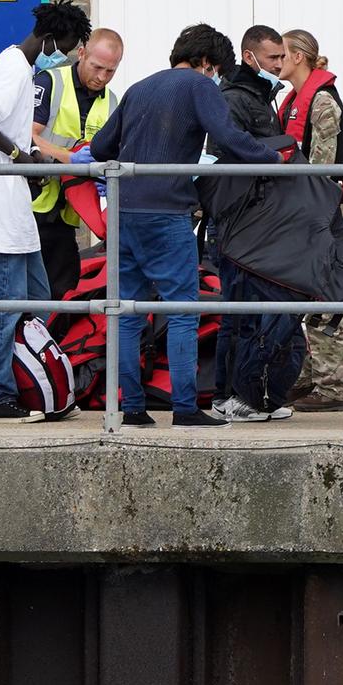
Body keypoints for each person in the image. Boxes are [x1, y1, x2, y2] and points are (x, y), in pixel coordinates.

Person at [89, 23, 283, 428]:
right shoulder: (199, 87)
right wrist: (273, 159)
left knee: (125, 312)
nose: (214, 77)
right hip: (167, 213)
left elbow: (102, 147)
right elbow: (227, 136)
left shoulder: (138, 88)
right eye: (215, 70)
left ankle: (132, 409)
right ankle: (184, 408)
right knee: (182, 311)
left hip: (125, 213)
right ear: (208, 63)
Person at [0, 0, 89, 423]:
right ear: (51, 36)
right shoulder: (14, 67)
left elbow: (15, 132)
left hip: (16, 206)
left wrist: (39, 158)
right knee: (1, 306)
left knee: (37, 297)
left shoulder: (24, 67)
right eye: (66, 46)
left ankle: (32, 382)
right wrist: (19, 154)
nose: (66, 56)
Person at [207, 25, 301, 422]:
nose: (280, 65)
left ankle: (253, 395)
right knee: (238, 314)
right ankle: (230, 396)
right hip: (237, 225)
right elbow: (228, 157)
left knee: (251, 313)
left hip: (257, 223)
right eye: (273, 58)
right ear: (250, 57)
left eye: (282, 58)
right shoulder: (234, 99)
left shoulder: (260, 98)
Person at [277, 28, 343, 414]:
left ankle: (331, 388)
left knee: (326, 295)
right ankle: (309, 376)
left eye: (280, 54)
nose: (275, 61)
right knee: (305, 294)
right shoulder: (292, 99)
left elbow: (323, 170)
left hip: (320, 214)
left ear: (297, 56)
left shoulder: (322, 102)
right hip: (302, 213)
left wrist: (309, 219)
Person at [30, 26, 119, 302]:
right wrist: (70, 159)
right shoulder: (50, 82)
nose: (102, 77)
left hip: (68, 213)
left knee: (62, 292)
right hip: (31, 204)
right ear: (81, 53)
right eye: (97, 67)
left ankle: (50, 345)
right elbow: (25, 135)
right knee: (24, 292)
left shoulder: (112, 101)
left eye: (110, 71)